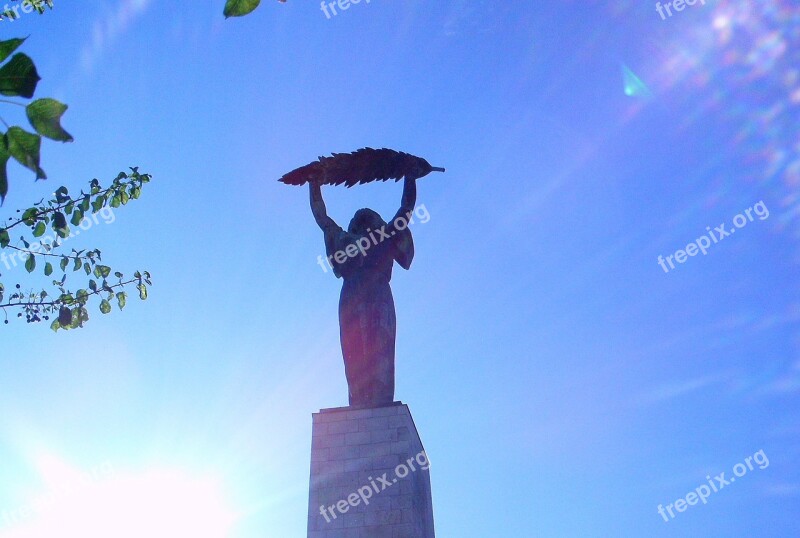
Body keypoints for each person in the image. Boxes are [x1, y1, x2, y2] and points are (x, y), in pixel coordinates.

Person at [309, 176, 417, 406]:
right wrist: (409, 176)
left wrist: (314, 183)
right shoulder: (378, 237)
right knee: (357, 349)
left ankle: (375, 398)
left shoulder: (372, 237)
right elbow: (406, 209)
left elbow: (322, 219)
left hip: (370, 295)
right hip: (361, 295)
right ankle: (363, 398)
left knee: (378, 348)